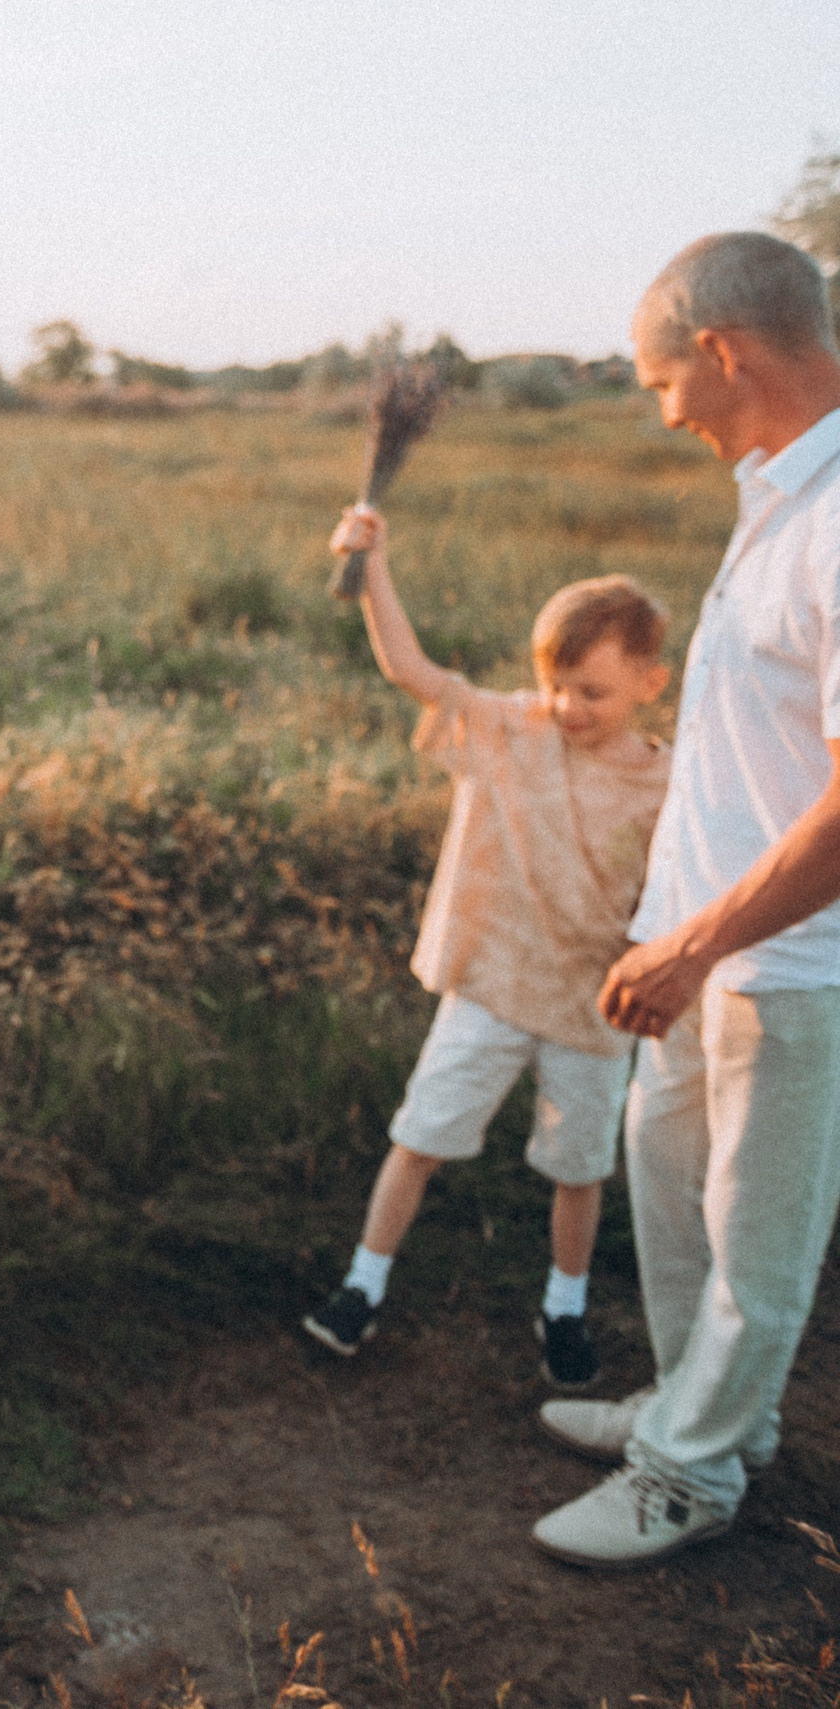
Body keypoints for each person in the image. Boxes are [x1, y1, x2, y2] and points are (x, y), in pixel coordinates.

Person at [532, 232, 840, 1568]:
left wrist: (701, 942)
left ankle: (690, 1475)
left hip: (788, 963)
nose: (661, 415)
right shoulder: (778, 494)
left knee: (754, 1238)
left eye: (664, 383)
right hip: (698, 947)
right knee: (672, 1199)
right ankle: (704, 1411)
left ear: (721, 355)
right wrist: (668, 926)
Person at [300, 507, 673, 1388]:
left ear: (651, 685)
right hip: (491, 983)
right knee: (419, 1135)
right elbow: (411, 669)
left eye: (594, 692)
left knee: (579, 1169)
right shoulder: (513, 727)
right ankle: (363, 1282)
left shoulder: (669, 777)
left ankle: (565, 1305)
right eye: (556, 683)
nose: (566, 707)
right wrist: (374, 562)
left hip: (592, 1004)